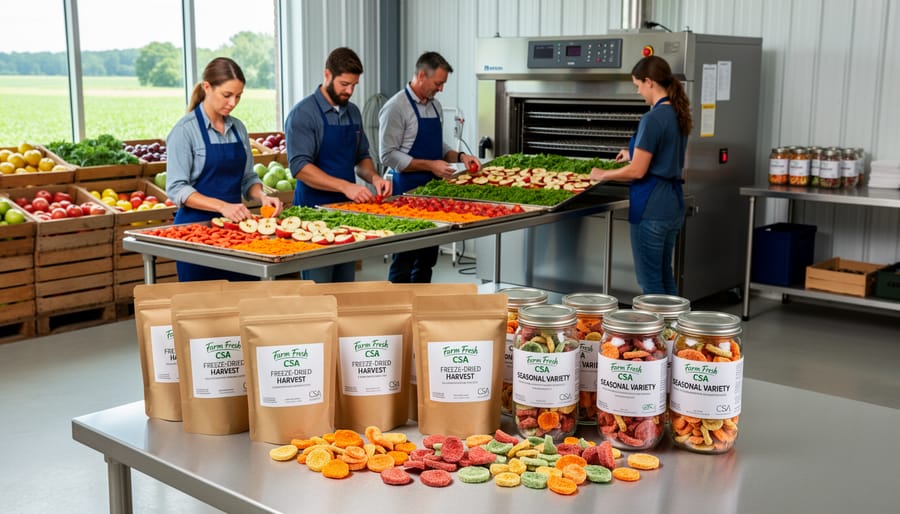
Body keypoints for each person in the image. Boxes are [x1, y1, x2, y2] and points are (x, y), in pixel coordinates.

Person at [166, 57, 282, 281]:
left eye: (238, 96)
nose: (233, 102)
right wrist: (223, 207)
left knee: (243, 304)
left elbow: (248, 177)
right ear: (207, 87)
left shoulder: (238, 128)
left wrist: (262, 196)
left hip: (237, 233)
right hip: (196, 233)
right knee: (201, 307)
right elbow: (177, 188)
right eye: (227, 95)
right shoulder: (184, 131)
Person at [285, 47, 391, 283]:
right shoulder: (303, 114)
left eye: (354, 85)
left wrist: (374, 178)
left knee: (344, 288)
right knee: (318, 290)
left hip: (346, 215)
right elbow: (300, 167)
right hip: (313, 217)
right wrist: (345, 187)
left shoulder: (353, 112)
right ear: (327, 75)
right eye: (344, 84)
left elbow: (361, 157)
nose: (349, 91)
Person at [590, 55, 691, 295]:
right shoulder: (677, 113)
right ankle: (673, 331)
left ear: (650, 82)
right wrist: (632, 152)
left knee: (650, 283)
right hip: (673, 205)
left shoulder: (652, 118)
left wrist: (602, 174)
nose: (638, 92)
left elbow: (638, 171)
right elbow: (662, 153)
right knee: (665, 277)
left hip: (651, 207)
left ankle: (657, 333)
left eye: (637, 86)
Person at [379, 51, 481, 283]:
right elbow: (388, 155)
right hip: (406, 194)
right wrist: (430, 165)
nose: (441, 89)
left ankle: (421, 312)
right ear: (422, 75)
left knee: (427, 261)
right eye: (438, 83)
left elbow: (438, 146)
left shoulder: (434, 106)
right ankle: (400, 313)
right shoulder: (395, 107)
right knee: (404, 260)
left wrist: (461, 156)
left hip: (433, 194)